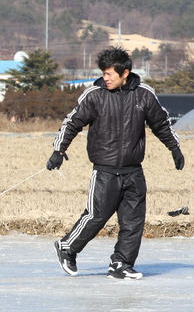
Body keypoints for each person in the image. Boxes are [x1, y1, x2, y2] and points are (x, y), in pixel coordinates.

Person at [48, 46, 184, 280]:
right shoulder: (95, 95)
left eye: (110, 73)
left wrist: (174, 148)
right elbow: (72, 122)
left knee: (133, 221)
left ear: (125, 73)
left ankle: (121, 263)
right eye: (103, 73)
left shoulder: (144, 94)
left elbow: (161, 123)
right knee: (97, 215)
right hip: (105, 170)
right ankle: (67, 247)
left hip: (133, 170)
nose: (105, 78)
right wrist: (59, 150)